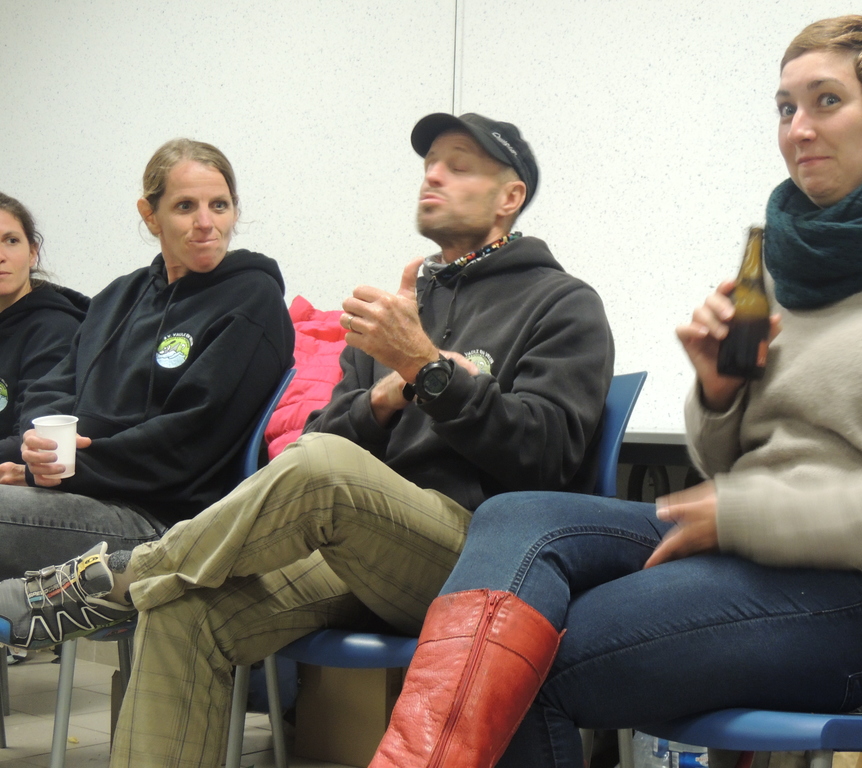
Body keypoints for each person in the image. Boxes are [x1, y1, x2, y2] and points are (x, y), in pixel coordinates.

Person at [367, 16, 862, 768]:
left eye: (827, 101)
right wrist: (719, 394)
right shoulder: (783, 271)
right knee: (516, 519)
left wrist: (752, 513)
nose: (799, 129)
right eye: (785, 107)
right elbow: (723, 464)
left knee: (527, 668)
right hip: (752, 547)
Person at [0, 112, 614, 768]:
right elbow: (322, 436)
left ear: (510, 196)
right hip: (363, 550)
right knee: (182, 610)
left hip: (482, 559)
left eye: (458, 166)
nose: (433, 175)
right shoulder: (398, 312)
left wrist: (430, 373)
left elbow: (548, 460)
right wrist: (384, 397)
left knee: (323, 468)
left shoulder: (563, 304)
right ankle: (125, 581)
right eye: (430, 162)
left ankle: (107, 579)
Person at [0, 139, 294, 580]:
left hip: (165, 521)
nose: (205, 223)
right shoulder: (120, 296)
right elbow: (55, 386)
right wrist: (40, 446)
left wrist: (73, 470)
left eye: (219, 205)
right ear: (150, 215)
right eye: (185, 206)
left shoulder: (253, 300)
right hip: (81, 491)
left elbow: (189, 441)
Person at [0, 193, 89, 483]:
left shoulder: (55, 328)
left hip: (28, 486)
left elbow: (33, 438)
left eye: (11, 240)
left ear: (32, 252)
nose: (1, 255)